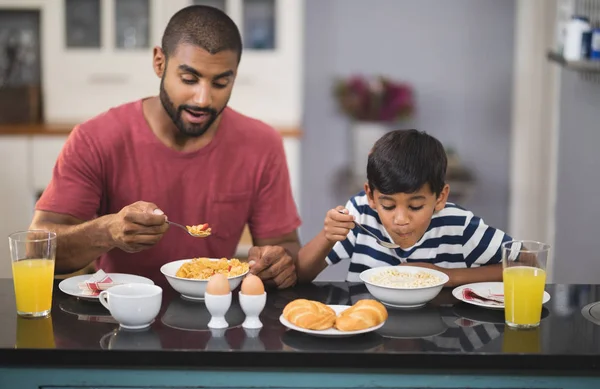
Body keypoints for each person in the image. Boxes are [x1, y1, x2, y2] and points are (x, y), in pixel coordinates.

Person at [30, 5, 301, 289]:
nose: (203, 99)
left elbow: (284, 247)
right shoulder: (95, 138)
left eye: (221, 82)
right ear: (160, 62)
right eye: (189, 79)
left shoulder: (261, 144)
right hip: (118, 318)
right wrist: (108, 231)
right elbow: (37, 247)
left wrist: (279, 262)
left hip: (218, 316)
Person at [297, 129, 516, 287]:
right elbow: (300, 274)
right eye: (388, 205)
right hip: (368, 332)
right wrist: (327, 236)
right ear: (371, 196)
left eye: (416, 206)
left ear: (440, 197)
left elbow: (527, 263)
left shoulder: (458, 225)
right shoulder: (360, 214)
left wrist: (447, 276)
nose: (401, 219)